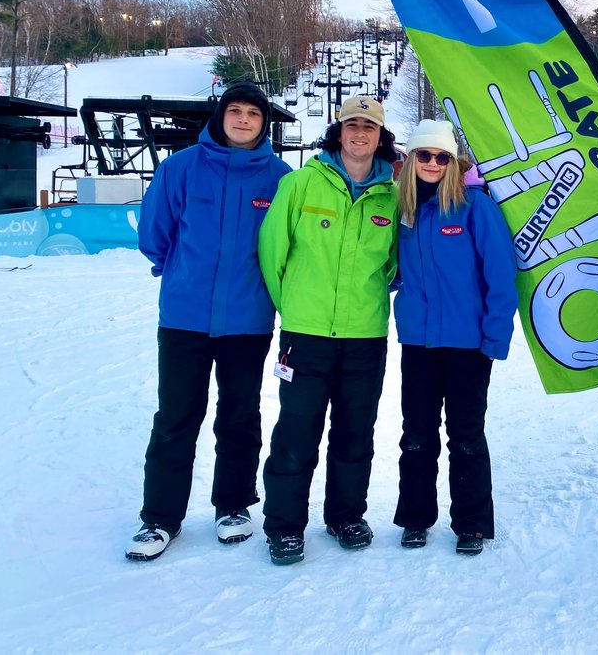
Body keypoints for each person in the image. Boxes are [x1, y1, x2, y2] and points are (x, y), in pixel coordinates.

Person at [126, 82, 291, 561]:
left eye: (253, 114)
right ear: (220, 117)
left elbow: (284, 247)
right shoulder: (180, 168)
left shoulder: (280, 179)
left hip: (247, 319)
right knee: (176, 417)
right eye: (234, 111)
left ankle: (233, 505)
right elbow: (155, 235)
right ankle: (160, 517)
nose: (243, 120)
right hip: (185, 318)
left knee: (239, 416)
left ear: (264, 123)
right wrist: (179, 274)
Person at [258, 95, 399, 566]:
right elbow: (271, 252)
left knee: (355, 431)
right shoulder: (299, 184)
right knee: (296, 431)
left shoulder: (393, 196)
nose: (360, 134)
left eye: (370, 128)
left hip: (365, 336)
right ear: (338, 131)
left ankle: (345, 515)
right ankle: (284, 526)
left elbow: (395, 265)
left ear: (381, 137)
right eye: (352, 125)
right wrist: (295, 310)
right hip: (306, 335)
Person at [391, 120, 517, 555]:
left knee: (465, 433)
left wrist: (495, 337)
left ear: (453, 162)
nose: (431, 163)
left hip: (468, 344)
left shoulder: (473, 206)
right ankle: (414, 518)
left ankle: (472, 522)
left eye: (441, 157)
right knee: (417, 433)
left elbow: (501, 273)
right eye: (423, 155)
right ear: (410, 160)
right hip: (419, 342)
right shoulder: (400, 208)